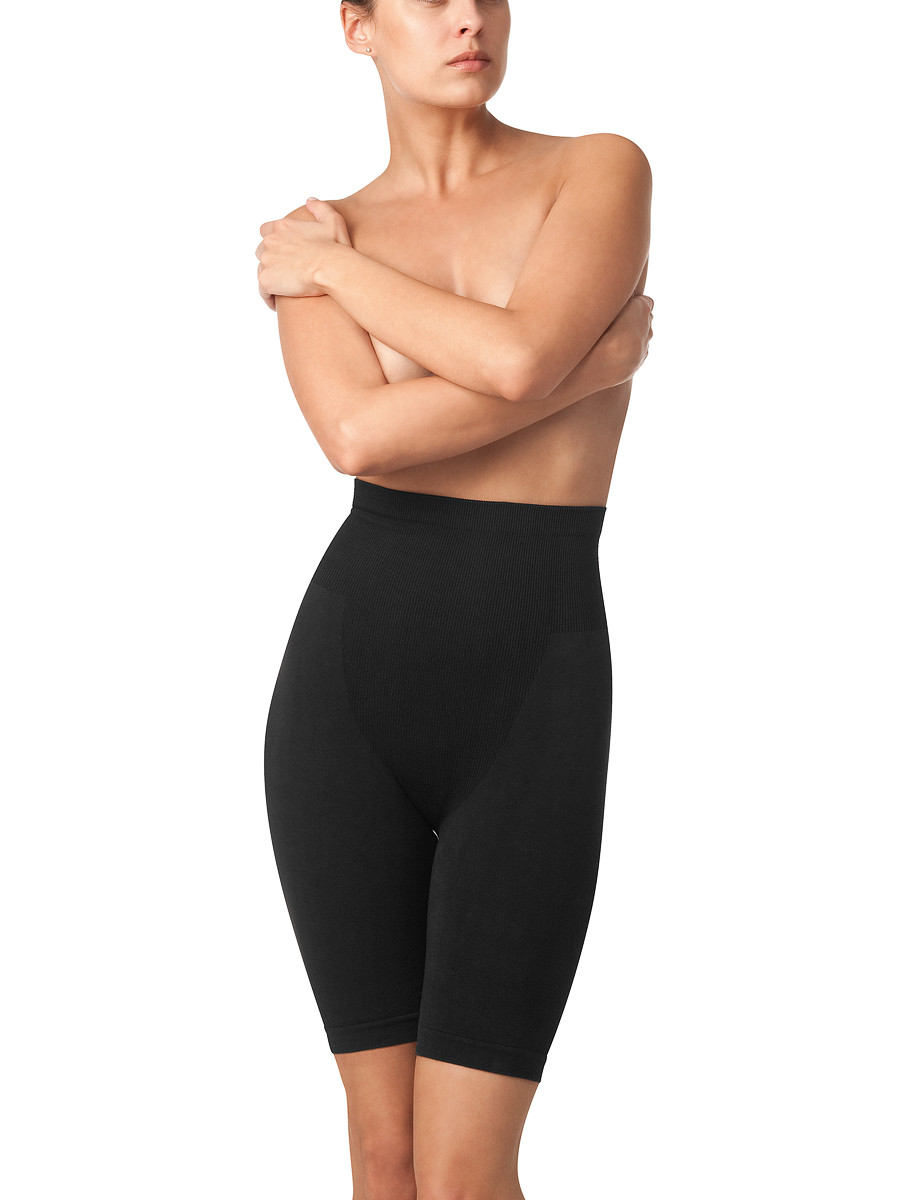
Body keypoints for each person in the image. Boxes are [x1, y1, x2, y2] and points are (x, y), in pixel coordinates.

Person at [255, 2, 653, 1197]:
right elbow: (357, 437)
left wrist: (344, 281)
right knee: (386, 1159)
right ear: (358, 27)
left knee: (467, 1172)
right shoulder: (319, 231)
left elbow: (521, 357)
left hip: (533, 687)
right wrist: (589, 365)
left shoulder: (597, 170)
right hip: (348, 691)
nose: (468, 17)